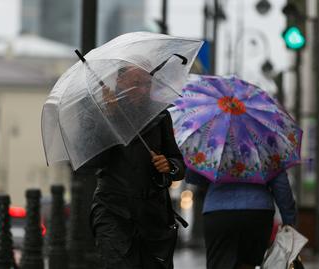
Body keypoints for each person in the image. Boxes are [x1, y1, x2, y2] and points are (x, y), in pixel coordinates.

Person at [80, 64, 186, 269]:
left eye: (148, 84)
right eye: (136, 84)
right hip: (113, 212)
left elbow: (178, 164)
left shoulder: (160, 115)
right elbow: (93, 161)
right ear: (120, 82)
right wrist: (110, 119)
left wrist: (169, 165)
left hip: (153, 216)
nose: (144, 90)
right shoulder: (98, 115)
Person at [186, 169, 297, 269]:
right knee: (248, 263)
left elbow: (192, 176)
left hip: (218, 211)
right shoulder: (267, 146)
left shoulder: (211, 147)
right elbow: (281, 184)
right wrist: (289, 220)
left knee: (220, 263)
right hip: (257, 211)